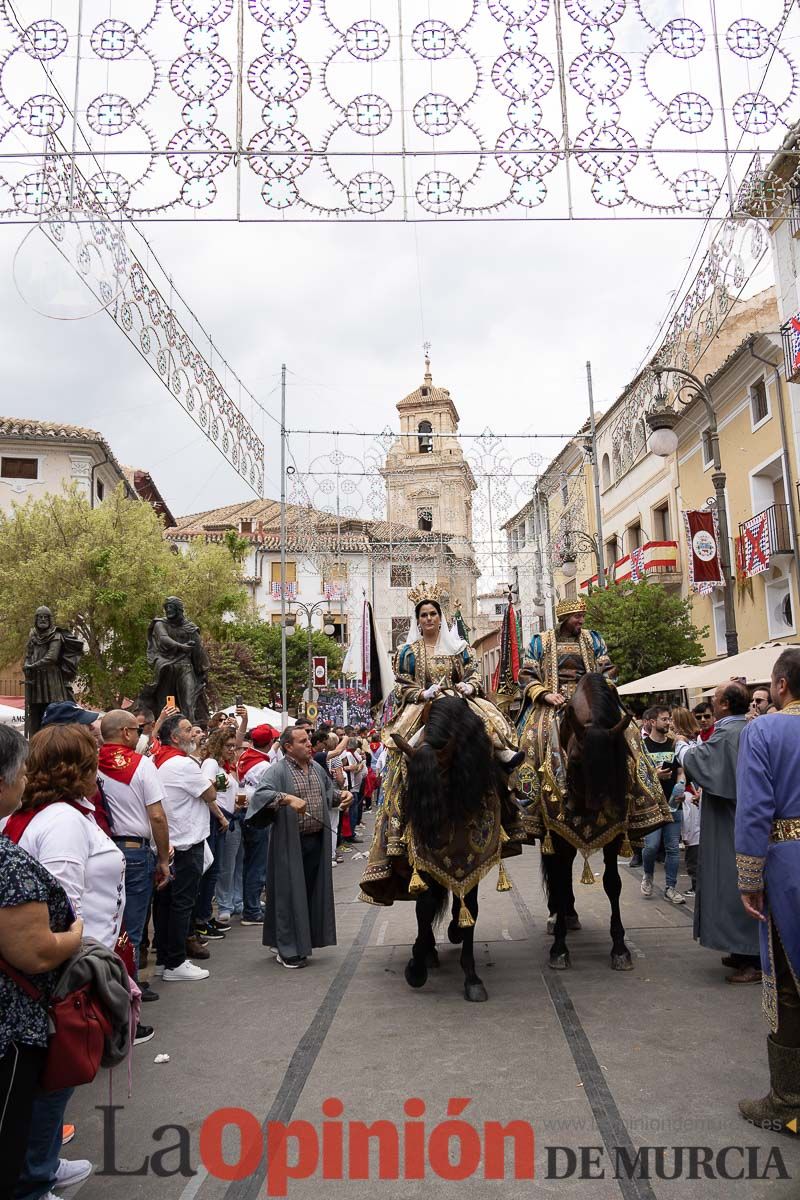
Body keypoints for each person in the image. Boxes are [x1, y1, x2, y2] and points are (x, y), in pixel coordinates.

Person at [3, 724, 128, 1199]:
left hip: (74, 964)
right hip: (65, 972)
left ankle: (43, 1163)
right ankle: (35, 1177)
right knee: (55, 1076)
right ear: (79, 767)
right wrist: (79, 944)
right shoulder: (61, 820)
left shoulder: (67, 814)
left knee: (56, 1076)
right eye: (96, 757)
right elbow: (60, 902)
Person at [0, 727, 84, 1200]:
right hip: (11, 1021)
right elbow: (34, 951)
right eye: (19, 770)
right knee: (10, 1128)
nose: (25, 778)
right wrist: (75, 934)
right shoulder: (8, 860)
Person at [736, 648, 800, 1132]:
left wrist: (749, 879)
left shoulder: (764, 730)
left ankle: (788, 1099)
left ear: (780, 686)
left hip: (788, 867)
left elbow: (756, 809)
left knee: (787, 980)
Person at [675, 681, 761, 983]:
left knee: (731, 884)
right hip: (736, 817)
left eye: (716, 697)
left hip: (731, 821)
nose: (711, 701)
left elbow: (700, 763)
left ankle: (752, 958)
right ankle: (740, 951)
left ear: (724, 705)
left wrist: (680, 745)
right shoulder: (747, 728)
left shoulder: (729, 732)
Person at [246, 727, 351, 969]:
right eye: (302, 741)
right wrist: (286, 798)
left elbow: (328, 793)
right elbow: (260, 797)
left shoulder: (315, 767)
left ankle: (298, 940)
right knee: (288, 894)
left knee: (308, 894)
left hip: (315, 841)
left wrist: (342, 796)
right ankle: (288, 949)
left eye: (308, 741)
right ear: (288, 747)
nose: (309, 745)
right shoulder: (277, 770)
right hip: (290, 843)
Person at [97, 710, 171, 1036]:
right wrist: (165, 857)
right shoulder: (142, 765)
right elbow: (156, 815)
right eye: (137, 729)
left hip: (100, 850)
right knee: (131, 932)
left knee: (105, 930)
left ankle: (105, 1008)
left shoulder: (88, 763)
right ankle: (128, 1017)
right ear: (127, 733)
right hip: (135, 851)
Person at [152, 714, 227, 982]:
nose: (195, 735)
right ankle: (175, 962)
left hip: (170, 843)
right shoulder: (182, 764)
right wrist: (208, 769)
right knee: (182, 904)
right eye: (187, 730)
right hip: (185, 843)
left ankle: (164, 959)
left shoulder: (157, 760)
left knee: (165, 904)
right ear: (174, 737)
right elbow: (210, 793)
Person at [640, 706, 686, 905]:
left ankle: (671, 887)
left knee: (673, 849)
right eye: (664, 719)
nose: (669, 723)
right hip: (652, 807)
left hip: (674, 804)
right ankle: (648, 874)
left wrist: (681, 784)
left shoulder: (674, 744)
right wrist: (654, 776)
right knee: (650, 847)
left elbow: (681, 769)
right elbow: (636, 776)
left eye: (669, 719)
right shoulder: (642, 746)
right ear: (651, 722)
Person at [195, 728, 239, 939]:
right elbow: (207, 792)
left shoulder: (222, 766)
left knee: (216, 870)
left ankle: (205, 916)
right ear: (218, 746)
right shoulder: (211, 764)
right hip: (216, 821)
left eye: (234, 746)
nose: (232, 749)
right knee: (211, 871)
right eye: (228, 746)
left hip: (225, 818)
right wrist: (221, 816)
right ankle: (201, 919)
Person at [237, 725, 278, 927]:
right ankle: (252, 910)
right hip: (258, 815)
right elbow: (270, 792)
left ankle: (250, 905)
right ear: (269, 742)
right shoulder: (263, 766)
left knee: (250, 863)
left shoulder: (246, 757)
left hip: (247, 813)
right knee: (257, 864)